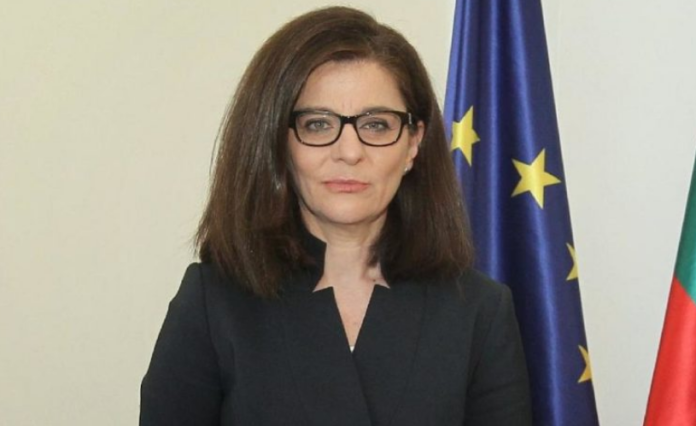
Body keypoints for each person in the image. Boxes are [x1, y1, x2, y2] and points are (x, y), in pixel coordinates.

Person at [140, 6, 532, 426]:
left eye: (377, 125)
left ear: (413, 144)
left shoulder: (479, 311)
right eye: (317, 124)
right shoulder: (213, 303)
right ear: (278, 142)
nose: (349, 151)